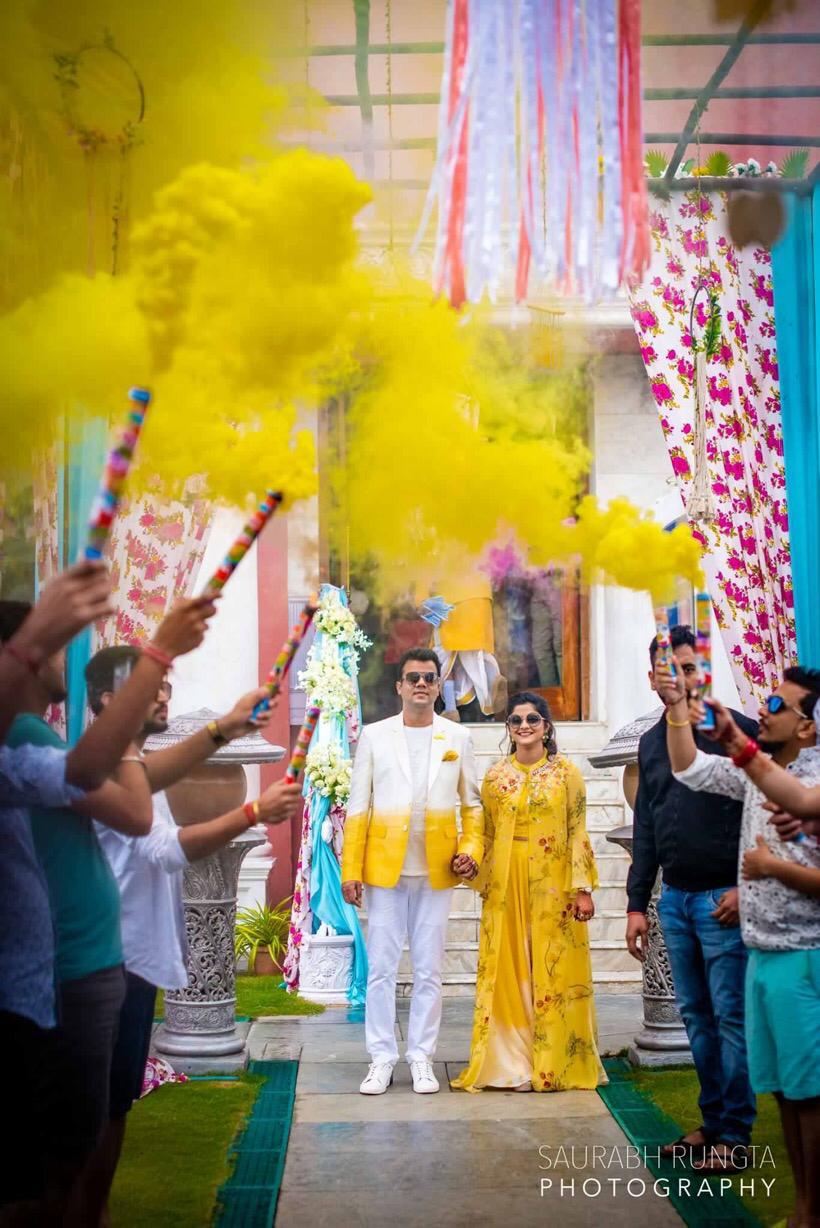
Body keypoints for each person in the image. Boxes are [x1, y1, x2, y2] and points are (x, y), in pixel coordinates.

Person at [1, 594, 216, 1224]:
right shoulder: (24, 738)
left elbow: (126, 779)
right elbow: (136, 812)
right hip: (68, 968)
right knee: (54, 1160)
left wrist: (221, 729)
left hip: (94, 963)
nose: (56, 663)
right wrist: (159, 651)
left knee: (92, 1125)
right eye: (48, 647)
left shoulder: (39, 737)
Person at [78, 644, 304, 1225]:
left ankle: (95, 1212)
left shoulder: (133, 764)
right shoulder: (98, 765)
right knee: (90, 1109)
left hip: (133, 960)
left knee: (115, 1104)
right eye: (150, 685)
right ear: (109, 699)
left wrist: (229, 725)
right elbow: (163, 848)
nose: (163, 695)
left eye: (165, 685)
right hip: (100, 962)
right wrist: (253, 814)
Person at [664, 664, 820, 1218]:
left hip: (806, 955)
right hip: (763, 951)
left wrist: (772, 867)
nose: (766, 710)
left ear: (807, 727)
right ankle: (805, 1207)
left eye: (778, 707)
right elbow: (688, 767)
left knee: (809, 1093)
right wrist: (679, 711)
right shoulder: (760, 770)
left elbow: (801, 813)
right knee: (783, 1088)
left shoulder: (813, 778)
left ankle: (809, 1209)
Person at [626, 626, 757, 1169]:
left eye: (683, 666)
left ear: (700, 671)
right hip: (676, 900)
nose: (673, 677)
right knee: (695, 1018)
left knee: (729, 1018)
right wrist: (638, 904)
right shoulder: (652, 741)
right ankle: (712, 1122)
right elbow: (648, 826)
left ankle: (736, 1136)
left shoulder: (735, 732)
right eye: (664, 667)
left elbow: (765, 817)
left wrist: (746, 890)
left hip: (723, 901)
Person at [341, 647, 484, 1095]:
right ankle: (381, 1058)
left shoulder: (457, 738)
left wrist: (470, 849)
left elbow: (473, 806)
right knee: (381, 969)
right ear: (399, 686)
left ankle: (421, 1056)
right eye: (413, 677)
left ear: (439, 686)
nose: (421, 684)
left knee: (428, 970)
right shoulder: (374, 736)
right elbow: (358, 806)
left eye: (429, 677)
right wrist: (352, 868)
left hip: (437, 871)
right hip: (385, 869)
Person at [452, 691, 604, 1093]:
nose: (524, 726)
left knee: (550, 965)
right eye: (516, 720)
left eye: (532, 719)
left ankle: (551, 1063)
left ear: (547, 727)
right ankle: (512, 1063)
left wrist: (582, 889)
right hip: (505, 882)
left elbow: (577, 831)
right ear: (508, 729)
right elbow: (484, 832)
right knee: (509, 966)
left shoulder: (567, 773)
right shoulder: (495, 776)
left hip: (554, 885)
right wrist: (471, 865)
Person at [705, 694, 820, 822]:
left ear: (806, 727)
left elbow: (803, 801)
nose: (761, 711)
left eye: (777, 705)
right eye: (767, 701)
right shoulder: (752, 771)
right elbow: (693, 768)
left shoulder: (813, 782)